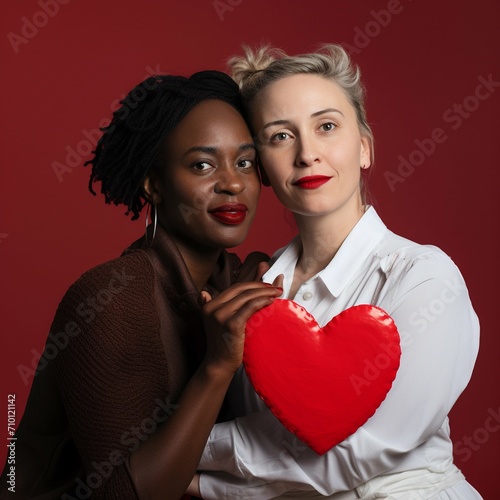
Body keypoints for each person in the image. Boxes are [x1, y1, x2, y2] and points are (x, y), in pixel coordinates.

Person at [191, 45, 483, 499]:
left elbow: (359, 454)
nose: (307, 154)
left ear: (364, 147)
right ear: (263, 168)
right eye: (280, 136)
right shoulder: (253, 287)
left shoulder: (424, 278)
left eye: (326, 126)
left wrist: (181, 461)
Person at [0, 70, 284, 499]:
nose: (232, 183)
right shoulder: (111, 299)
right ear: (154, 184)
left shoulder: (240, 280)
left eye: (244, 162)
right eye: (202, 165)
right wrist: (217, 365)